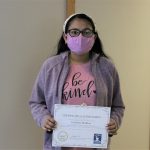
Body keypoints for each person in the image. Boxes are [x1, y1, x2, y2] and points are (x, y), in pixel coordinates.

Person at [29, 13, 125, 150]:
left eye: (86, 32)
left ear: (94, 37)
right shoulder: (51, 67)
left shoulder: (107, 68)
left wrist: (115, 121)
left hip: (95, 144)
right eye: (74, 32)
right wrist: (44, 118)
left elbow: (118, 106)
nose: (80, 37)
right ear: (65, 37)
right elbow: (36, 102)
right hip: (59, 144)